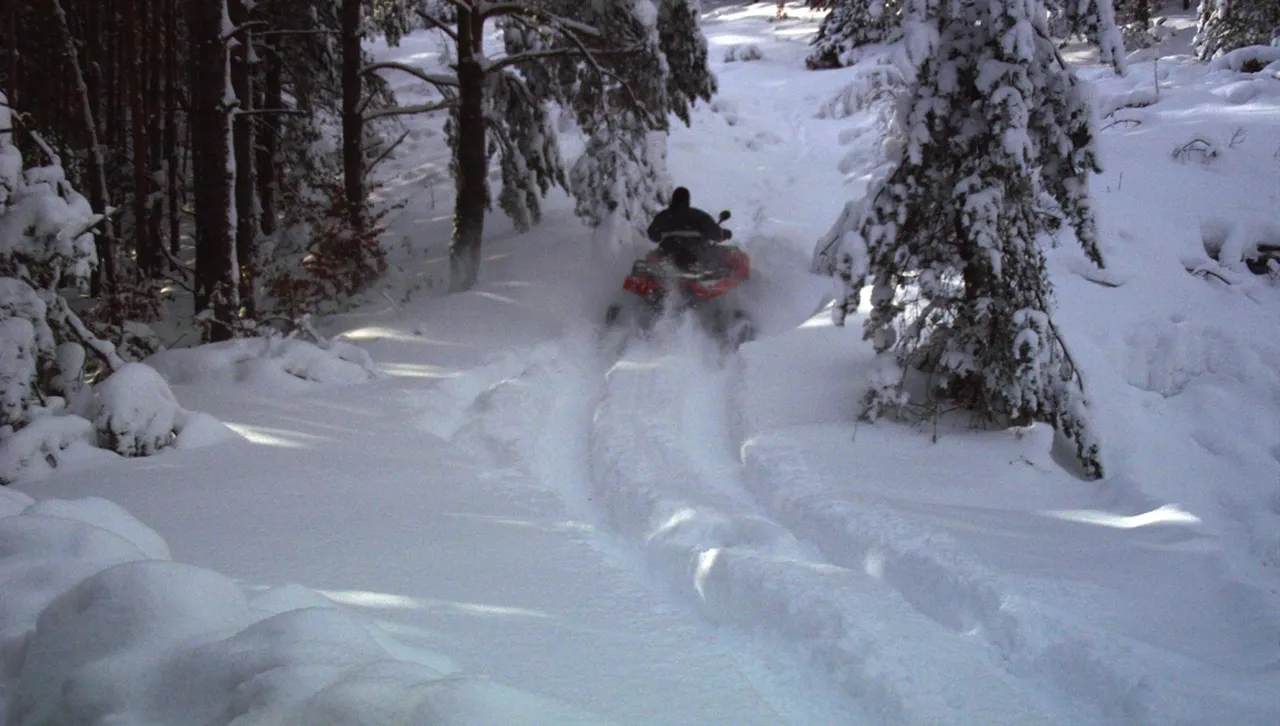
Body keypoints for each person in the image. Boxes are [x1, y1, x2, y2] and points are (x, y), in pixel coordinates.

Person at [646, 187, 729, 270]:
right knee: (720, 257)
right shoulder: (699, 216)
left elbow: (653, 235)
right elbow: (716, 234)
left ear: (673, 199)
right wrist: (725, 234)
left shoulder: (664, 216)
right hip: (697, 254)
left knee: (653, 258)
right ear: (688, 200)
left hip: (669, 252)